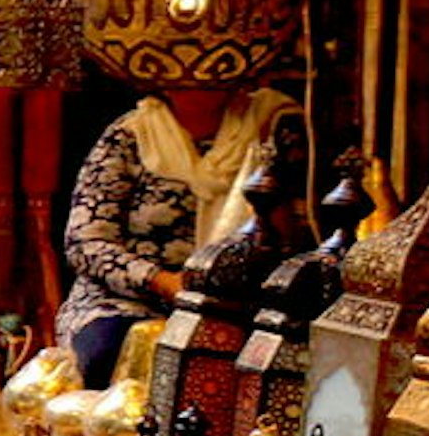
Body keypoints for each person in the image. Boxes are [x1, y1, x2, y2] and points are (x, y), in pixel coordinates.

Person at [58, 82, 305, 383]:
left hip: (231, 301)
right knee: (111, 351)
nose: (198, 83)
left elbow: (292, 235)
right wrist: (162, 282)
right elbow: (86, 243)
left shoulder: (266, 126)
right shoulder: (131, 135)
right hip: (128, 299)